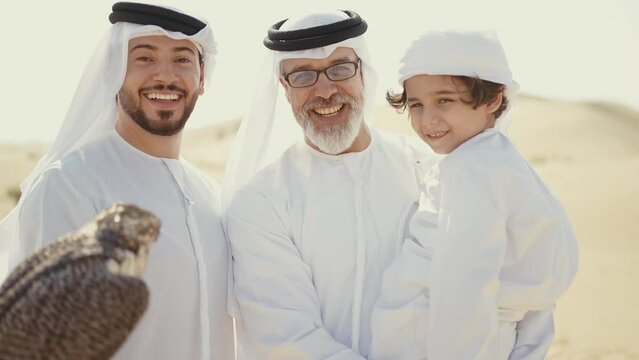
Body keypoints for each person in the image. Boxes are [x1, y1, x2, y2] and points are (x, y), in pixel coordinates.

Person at [0, 2, 233, 359]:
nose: (165, 75)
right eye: (144, 58)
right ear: (114, 70)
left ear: (202, 77)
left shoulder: (215, 198)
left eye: (183, 59)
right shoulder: (69, 186)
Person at [223, 9, 432, 359]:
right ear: (283, 88)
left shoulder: (425, 169)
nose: (325, 90)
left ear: (362, 71)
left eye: (340, 69)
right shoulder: (260, 203)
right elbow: (287, 337)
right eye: (303, 76)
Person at [369, 30, 579, 359]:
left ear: (493, 99)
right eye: (416, 105)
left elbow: (465, 282)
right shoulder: (499, 162)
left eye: (445, 100)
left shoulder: (472, 171)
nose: (428, 119)